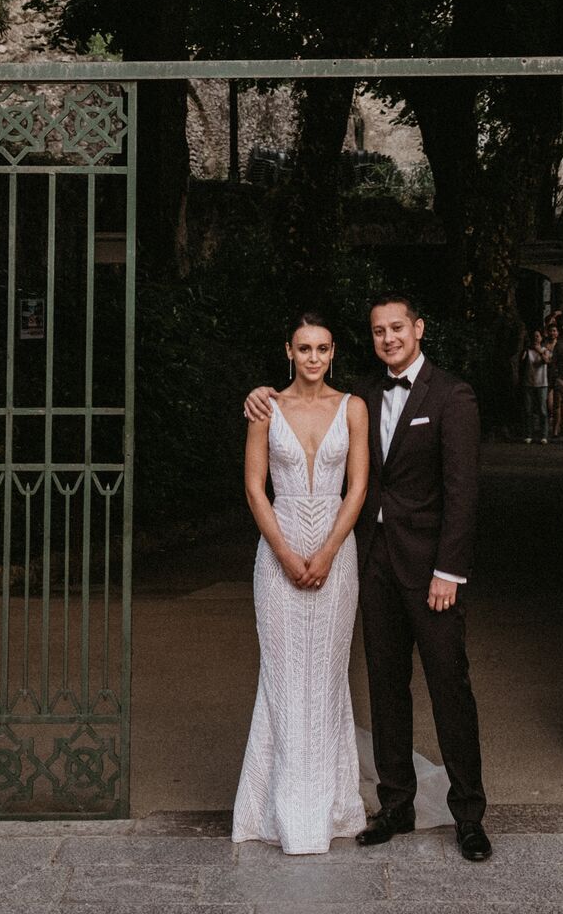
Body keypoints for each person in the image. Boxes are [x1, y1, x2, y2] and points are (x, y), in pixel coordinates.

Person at [245, 292, 492, 863]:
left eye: (398, 328)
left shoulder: (452, 396)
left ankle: (470, 816)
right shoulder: (363, 394)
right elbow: (302, 396)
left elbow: (463, 493)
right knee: (385, 687)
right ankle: (396, 804)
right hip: (374, 563)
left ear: (419, 328)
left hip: (432, 570)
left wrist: (449, 570)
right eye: (379, 331)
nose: (389, 339)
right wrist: (259, 393)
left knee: (449, 686)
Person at [232, 311, 370, 855]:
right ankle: (277, 808)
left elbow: (358, 486)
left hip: (337, 551)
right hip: (279, 549)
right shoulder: (265, 408)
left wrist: (330, 550)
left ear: (334, 353)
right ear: (288, 351)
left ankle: (331, 808)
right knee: (284, 676)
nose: (314, 358)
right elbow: (253, 488)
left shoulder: (352, 407)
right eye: (304, 348)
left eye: (323, 349)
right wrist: (287, 554)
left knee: (329, 677)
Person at [520, 328, 549, 444]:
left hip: (542, 383)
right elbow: (522, 362)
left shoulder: (545, 350)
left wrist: (539, 351)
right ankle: (528, 434)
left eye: (538, 336)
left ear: (541, 338)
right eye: (534, 336)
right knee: (528, 409)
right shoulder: (527, 351)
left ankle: (544, 435)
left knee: (542, 410)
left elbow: (546, 361)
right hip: (529, 383)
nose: (536, 338)